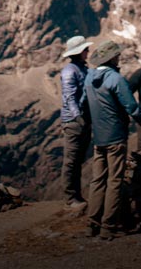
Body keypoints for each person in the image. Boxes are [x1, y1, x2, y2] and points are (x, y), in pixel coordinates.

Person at [84, 40, 141, 240]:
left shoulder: (89, 78)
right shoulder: (115, 79)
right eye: (116, 55)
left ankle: (92, 223)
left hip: (98, 138)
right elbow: (133, 109)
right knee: (114, 181)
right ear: (112, 59)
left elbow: (84, 104)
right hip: (116, 136)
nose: (119, 58)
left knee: (97, 180)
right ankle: (108, 226)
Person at [59, 34, 93, 211]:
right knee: (71, 160)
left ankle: (76, 195)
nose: (88, 52)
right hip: (74, 122)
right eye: (86, 49)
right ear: (80, 52)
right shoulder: (70, 71)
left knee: (77, 159)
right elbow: (69, 97)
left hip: (82, 120)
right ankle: (70, 197)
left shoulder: (80, 68)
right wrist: (78, 117)